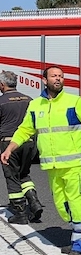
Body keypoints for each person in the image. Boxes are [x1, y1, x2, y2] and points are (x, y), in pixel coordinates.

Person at [0, 66, 81, 255]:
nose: (58, 79)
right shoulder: (36, 106)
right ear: (45, 80)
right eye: (54, 76)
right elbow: (25, 130)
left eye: (61, 76)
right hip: (52, 168)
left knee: (77, 203)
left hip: (74, 166)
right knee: (62, 206)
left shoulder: (74, 102)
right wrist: (9, 148)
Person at [0, 71, 42, 224]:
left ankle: (20, 213)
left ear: (2, 85)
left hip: (9, 143)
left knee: (11, 176)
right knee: (24, 174)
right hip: (29, 142)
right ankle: (34, 201)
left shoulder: (2, 101)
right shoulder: (29, 100)